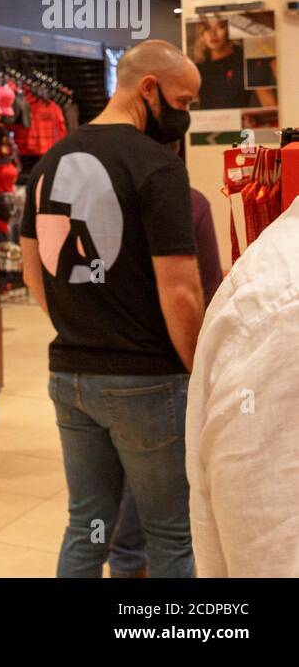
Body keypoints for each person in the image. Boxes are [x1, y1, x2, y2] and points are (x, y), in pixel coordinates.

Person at [19, 40, 204, 578]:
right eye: (183, 100)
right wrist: (197, 371)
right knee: (170, 533)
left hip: (70, 375)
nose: (185, 114)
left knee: (86, 527)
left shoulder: (50, 161)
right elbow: (182, 292)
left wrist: (83, 322)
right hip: (147, 380)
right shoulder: (157, 167)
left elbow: (35, 271)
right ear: (149, 88)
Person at [108, 140, 224, 577]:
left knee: (111, 511)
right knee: (170, 526)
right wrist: (199, 371)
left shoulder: (97, 206)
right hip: (164, 369)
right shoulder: (190, 203)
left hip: (99, 369)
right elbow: (204, 293)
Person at [186, 194, 299, 576]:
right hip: (147, 376)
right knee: (160, 529)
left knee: (95, 518)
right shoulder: (286, 308)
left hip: (77, 362)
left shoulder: (49, 168)